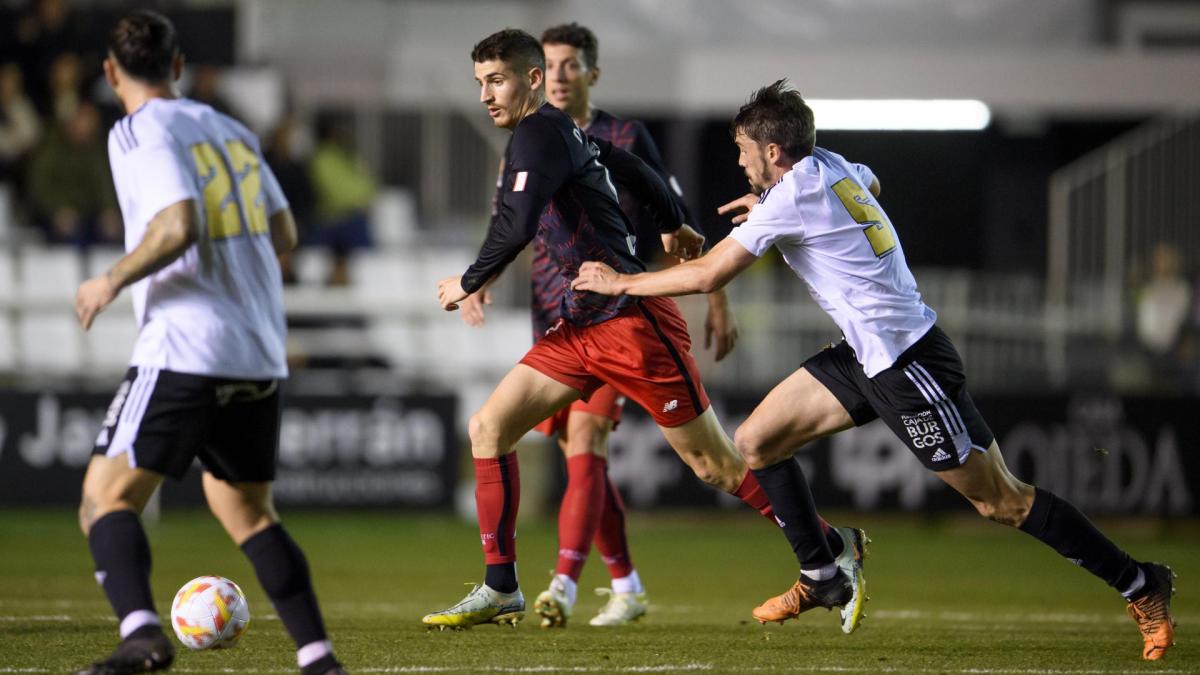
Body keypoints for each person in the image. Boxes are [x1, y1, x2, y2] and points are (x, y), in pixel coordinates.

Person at [573, 79, 1176, 661]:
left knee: (1002, 502)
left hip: (909, 363)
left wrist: (622, 281)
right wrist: (786, 213)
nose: (738, 160)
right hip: (865, 354)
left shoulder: (794, 194)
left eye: (742, 149)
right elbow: (873, 183)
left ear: (773, 151)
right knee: (757, 441)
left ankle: (1139, 582)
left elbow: (707, 275)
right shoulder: (830, 165)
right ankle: (823, 571)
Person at [427, 30, 865, 633]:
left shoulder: (539, 133)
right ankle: (501, 585)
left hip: (632, 325)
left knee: (714, 466)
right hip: (580, 324)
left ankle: (831, 545)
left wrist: (470, 280)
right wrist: (672, 223)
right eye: (479, 82)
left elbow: (519, 222)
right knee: (489, 428)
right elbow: (630, 169)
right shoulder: (561, 133)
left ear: (530, 80)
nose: (485, 95)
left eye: (496, 80)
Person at [72, 11, 347, 675]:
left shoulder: (137, 130)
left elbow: (178, 225)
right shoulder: (230, 129)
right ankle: (318, 658)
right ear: (177, 65)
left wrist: (108, 279)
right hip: (256, 346)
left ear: (111, 74)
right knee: (248, 512)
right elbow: (284, 235)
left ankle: (141, 634)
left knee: (102, 500)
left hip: (185, 345)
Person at [456, 22, 743, 629]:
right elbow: (509, 217)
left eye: (567, 65)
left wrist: (715, 294)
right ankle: (624, 581)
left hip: (618, 308)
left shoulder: (617, 133)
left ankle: (560, 584)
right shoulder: (530, 141)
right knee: (557, 447)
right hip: (559, 314)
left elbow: (667, 203)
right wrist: (479, 279)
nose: (559, 75)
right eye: (552, 64)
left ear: (589, 73)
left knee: (589, 445)